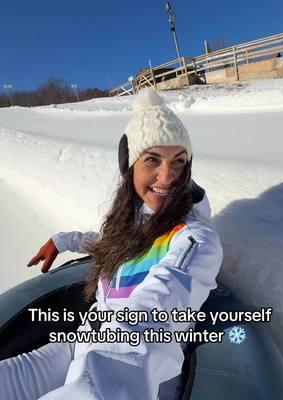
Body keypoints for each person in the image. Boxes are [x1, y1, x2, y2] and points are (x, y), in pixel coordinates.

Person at [0, 88, 223, 400]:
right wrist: (62, 241)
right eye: (152, 160)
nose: (167, 175)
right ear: (129, 166)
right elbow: (109, 244)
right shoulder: (135, 221)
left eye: (178, 161)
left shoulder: (194, 238)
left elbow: (156, 307)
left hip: (131, 373)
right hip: (78, 345)